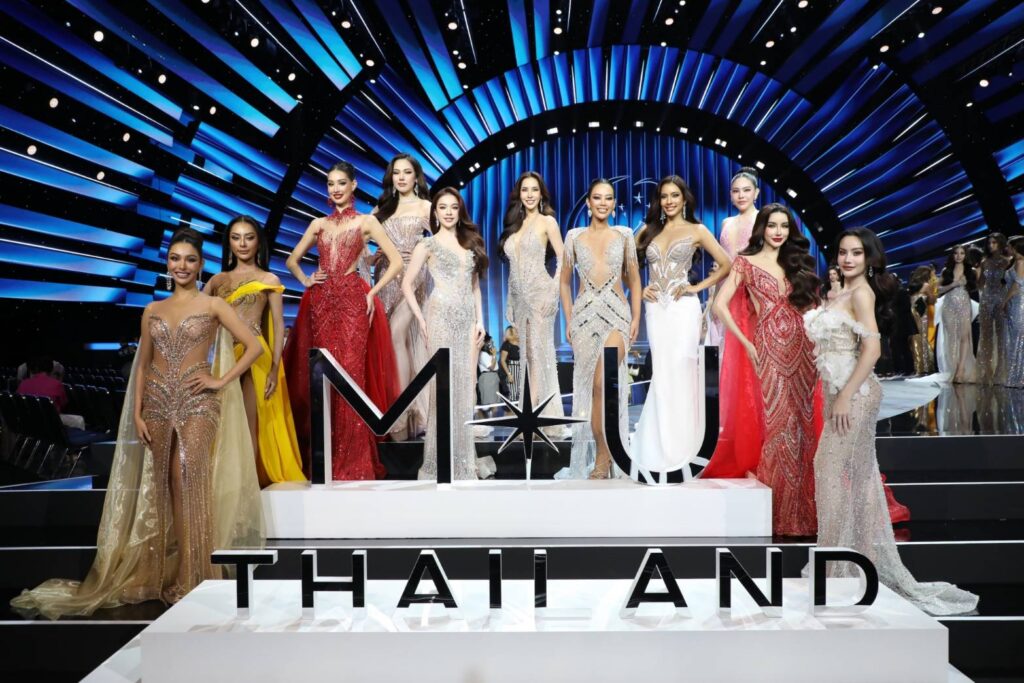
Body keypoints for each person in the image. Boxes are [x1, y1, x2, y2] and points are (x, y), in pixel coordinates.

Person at [11, 228, 264, 617]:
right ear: (168, 264)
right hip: (158, 403)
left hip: (199, 403)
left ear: (201, 265)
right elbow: (142, 366)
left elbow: (255, 346)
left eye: (190, 259)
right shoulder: (152, 310)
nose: (182, 266)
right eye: (175, 259)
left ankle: (198, 575)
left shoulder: (214, 305)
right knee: (164, 485)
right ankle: (168, 571)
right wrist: (135, 414)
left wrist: (220, 380)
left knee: (190, 479)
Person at [804, 228, 978, 615]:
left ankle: (837, 566)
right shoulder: (842, 292)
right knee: (859, 477)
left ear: (869, 258)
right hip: (838, 392)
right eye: (843, 252)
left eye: (856, 253)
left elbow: (872, 349)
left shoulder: (862, 294)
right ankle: (850, 563)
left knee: (829, 469)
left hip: (855, 395)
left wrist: (845, 396)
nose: (848, 259)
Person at [701, 203, 821, 536]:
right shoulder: (745, 262)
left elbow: (814, 307)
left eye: (784, 226)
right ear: (762, 229)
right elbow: (720, 305)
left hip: (805, 347)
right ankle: (779, 510)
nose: (778, 232)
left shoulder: (797, 263)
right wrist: (747, 343)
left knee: (804, 424)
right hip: (768, 347)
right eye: (772, 226)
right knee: (778, 424)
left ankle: (806, 510)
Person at [283, 161, 403, 481]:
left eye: (341, 183)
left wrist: (371, 292)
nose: (335, 189)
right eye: (330, 183)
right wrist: (307, 280)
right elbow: (292, 260)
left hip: (352, 302)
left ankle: (354, 461)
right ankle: (326, 458)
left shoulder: (366, 222)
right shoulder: (318, 224)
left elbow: (396, 261)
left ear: (353, 185)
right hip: (322, 303)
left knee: (351, 375)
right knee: (324, 377)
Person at [631, 176, 731, 477]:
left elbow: (727, 264)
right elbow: (626, 266)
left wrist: (696, 287)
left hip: (683, 308)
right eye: (664, 196)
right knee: (662, 373)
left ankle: (685, 449)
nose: (669, 201)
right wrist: (640, 289)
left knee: (682, 372)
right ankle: (658, 449)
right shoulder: (647, 230)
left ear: (684, 198)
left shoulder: (697, 230)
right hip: (656, 310)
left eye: (674, 195)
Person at [206, 215, 305, 486]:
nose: (242, 244)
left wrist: (275, 368)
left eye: (249, 237)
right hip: (225, 357)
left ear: (258, 242)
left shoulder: (268, 278)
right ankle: (224, 482)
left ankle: (248, 487)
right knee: (223, 422)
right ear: (228, 242)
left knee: (249, 421)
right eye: (236, 238)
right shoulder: (217, 281)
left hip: (256, 358)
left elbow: (278, 324)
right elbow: (200, 319)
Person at [403, 187, 494, 480]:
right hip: (439, 318)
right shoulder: (427, 245)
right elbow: (406, 284)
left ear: (460, 210)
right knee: (442, 389)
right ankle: (439, 460)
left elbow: (475, 287)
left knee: (466, 386)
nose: (449, 212)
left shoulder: (470, 242)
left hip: (467, 321)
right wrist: (421, 319)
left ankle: (463, 459)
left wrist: (481, 322)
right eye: (442, 207)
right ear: (435, 212)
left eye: (454, 207)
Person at [558, 179, 642, 480]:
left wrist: (636, 318)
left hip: (617, 316)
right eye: (597, 197)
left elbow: (635, 279)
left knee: (602, 383)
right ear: (588, 203)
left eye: (608, 198)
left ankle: (605, 459)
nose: (603, 203)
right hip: (584, 319)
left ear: (614, 203)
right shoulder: (573, 236)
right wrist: (569, 318)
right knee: (593, 391)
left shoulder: (625, 235)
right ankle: (602, 454)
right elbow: (564, 281)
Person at [499, 171, 568, 435]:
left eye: (534, 190)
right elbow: (512, 268)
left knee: (538, 353)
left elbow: (564, 259)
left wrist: (553, 293)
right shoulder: (515, 225)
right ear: (519, 194)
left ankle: (533, 416)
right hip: (519, 299)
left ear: (541, 195)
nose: (529, 195)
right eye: (525, 190)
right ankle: (532, 414)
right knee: (527, 354)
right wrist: (509, 299)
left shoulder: (547, 222)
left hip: (540, 294)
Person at [372, 154, 432, 440]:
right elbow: (359, 241)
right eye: (397, 173)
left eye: (407, 172)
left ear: (416, 176)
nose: (402, 177)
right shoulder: (382, 208)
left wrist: (423, 254)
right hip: (385, 277)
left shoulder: (426, 207)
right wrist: (372, 256)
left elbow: (443, 241)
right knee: (395, 341)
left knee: (398, 334)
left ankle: (403, 406)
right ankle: (403, 408)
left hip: (413, 276)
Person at [936, 245, 978, 383]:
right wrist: (953, 284)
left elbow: (976, 287)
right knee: (952, 338)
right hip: (949, 305)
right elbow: (938, 290)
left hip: (964, 305)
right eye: (956, 253)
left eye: (962, 253)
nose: (959, 256)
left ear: (965, 255)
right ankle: (954, 367)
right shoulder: (946, 271)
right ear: (952, 255)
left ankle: (960, 370)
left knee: (964, 336)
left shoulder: (971, 271)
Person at [977, 232, 1012, 385]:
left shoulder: (1007, 261)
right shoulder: (984, 262)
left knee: (1001, 336)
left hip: (1001, 300)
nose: (991, 246)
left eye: (994, 243)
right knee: (986, 336)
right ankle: (986, 372)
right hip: (986, 300)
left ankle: (1000, 372)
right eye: (989, 243)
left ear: (1001, 244)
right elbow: (980, 283)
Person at [719, 167, 760, 260]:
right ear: (731, 194)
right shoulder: (726, 222)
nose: (741, 196)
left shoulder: (763, 218)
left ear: (756, 192)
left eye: (747, 190)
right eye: (736, 191)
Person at [1002, 237, 1024, 388]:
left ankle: (1019, 377)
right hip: (1013, 303)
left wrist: (1004, 301)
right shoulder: (1014, 262)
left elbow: (1017, 285)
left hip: (1019, 303)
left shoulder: (1021, 262)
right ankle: (1015, 376)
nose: (1007, 249)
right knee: (1014, 338)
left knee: (1018, 338)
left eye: (1009, 246)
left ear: (1016, 248)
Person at [908, 266, 937, 376]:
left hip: (913, 312)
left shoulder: (912, 286)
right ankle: (926, 366)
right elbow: (932, 300)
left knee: (915, 338)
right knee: (924, 338)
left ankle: (918, 366)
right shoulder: (926, 285)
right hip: (922, 313)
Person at [477, 334, 500, 417]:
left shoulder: (489, 353)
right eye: (490, 341)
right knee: (488, 404)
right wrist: (494, 355)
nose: (492, 343)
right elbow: (491, 367)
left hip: (494, 377)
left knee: (495, 403)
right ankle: (487, 420)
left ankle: (493, 420)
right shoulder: (482, 354)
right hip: (487, 378)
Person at [499, 325, 521, 401]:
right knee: (513, 393)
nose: (517, 331)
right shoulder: (506, 344)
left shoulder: (521, 343)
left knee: (522, 393)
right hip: (512, 369)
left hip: (522, 368)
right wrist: (509, 374)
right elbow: (502, 360)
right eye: (515, 330)